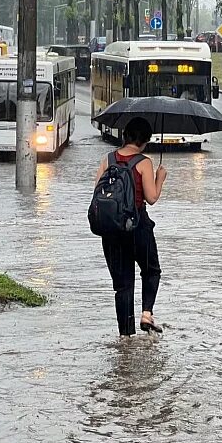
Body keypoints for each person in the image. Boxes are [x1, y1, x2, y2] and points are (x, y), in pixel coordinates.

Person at [93, 117, 168, 338]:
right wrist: (160, 178)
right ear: (145, 140)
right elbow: (151, 198)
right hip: (138, 227)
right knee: (151, 270)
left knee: (123, 284)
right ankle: (146, 313)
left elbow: (98, 192)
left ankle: (125, 337)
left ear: (125, 136)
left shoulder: (107, 159)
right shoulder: (143, 162)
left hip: (111, 230)